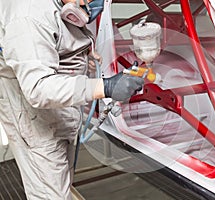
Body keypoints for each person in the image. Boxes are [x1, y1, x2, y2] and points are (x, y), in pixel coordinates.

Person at [0, 0, 144, 199]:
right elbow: (38, 88)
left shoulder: (58, 6)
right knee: (50, 190)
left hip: (58, 107)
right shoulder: (28, 15)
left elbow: (54, 38)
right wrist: (105, 86)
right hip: (31, 108)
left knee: (61, 177)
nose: (90, 3)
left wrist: (82, 57)